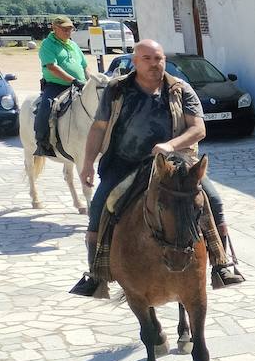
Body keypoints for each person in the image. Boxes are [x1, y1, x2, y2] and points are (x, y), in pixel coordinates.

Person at [70, 40, 245, 296]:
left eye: (158, 58)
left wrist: (170, 145)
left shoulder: (180, 89)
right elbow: (99, 127)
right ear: (135, 61)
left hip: (174, 162)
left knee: (213, 200)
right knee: (98, 206)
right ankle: (96, 274)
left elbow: (198, 129)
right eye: (147, 59)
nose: (154, 64)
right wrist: (87, 163)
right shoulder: (117, 90)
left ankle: (222, 263)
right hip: (125, 161)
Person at [35, 15, 88, 158]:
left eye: (70, 29)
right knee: (46, 106)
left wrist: (89, 82)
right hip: (56, 85)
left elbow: (84, 67)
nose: (68, 32)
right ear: (54, 28)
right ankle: (42, 142)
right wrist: (73, 80)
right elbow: (52, 67)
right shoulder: (48, 44)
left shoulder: (73, 45)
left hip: (79, 84)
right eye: (64, 29)